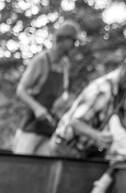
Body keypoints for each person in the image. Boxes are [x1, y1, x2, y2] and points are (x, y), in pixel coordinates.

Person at [51, 51, 126, 160]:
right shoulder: (103, 89)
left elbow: (125, 120)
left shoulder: (120, 93)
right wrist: (97, 136)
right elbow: (75, 122)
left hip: (81, 149)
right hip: (64, 147)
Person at [12, 21, 80, 155]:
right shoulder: (41, 61)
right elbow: (21, 90)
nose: (74, 45)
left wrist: (63, 102)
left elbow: (63, 92)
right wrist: (37, 108)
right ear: (63, 39)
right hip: (32, 126)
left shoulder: (65, 64)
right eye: (73, 41)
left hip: (50, 127)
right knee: (22, 164)